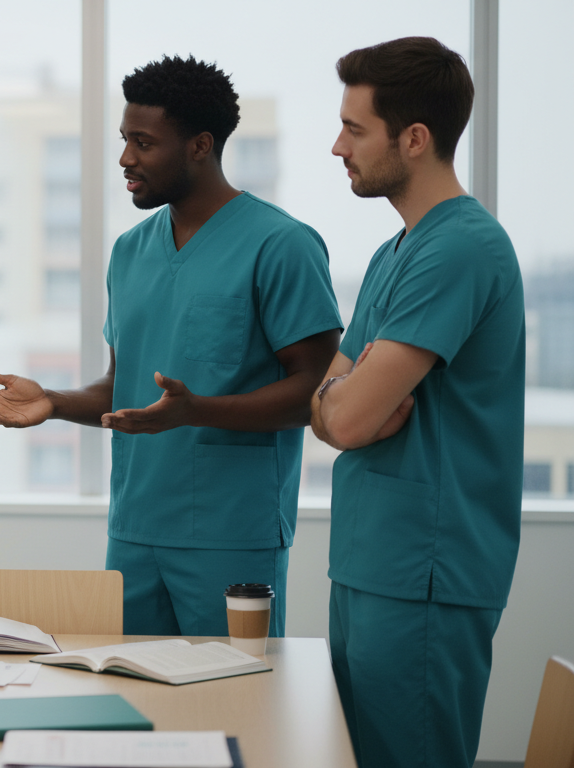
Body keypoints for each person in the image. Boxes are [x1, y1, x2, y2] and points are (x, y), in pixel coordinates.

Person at [0, 56, 341, 638]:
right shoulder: (130, 251)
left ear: (199, 146)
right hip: (134, 531)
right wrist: (54, 402)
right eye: (123, 140)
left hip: (230, 535)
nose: (125, 159)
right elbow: (124, 388)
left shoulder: (282, 245)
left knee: (234, 704)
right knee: (130, 700)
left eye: (143, 142)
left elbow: (315, 393)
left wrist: (198, 411)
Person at [313, 37, 524, 768]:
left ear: (414, 139)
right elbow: (330, 408)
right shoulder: (394, 252)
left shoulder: (461, 249)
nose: (337, 145)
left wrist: (344, 401)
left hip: (425, 572)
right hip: (372, 564)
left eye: (354, 129)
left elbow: (344, 416)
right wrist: (343, 398)